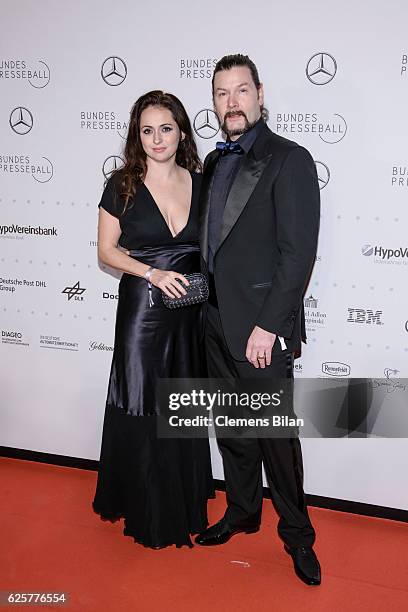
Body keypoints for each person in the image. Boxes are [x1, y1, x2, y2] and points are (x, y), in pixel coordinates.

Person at [195, 54, 321, 585]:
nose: (232, 102)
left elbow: (298, 255)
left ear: (260, 94)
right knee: (234, 431)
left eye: (240, 91)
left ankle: (298, 537)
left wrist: (270, 327)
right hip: (215, 321)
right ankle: (244, 511)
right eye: (222, 93)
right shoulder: (211, 163)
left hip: (261, 331)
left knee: (274, 436)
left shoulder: (289, 159)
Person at [92, 90, 214, 549]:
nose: (157, 138)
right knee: (144, 403)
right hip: (143, 311)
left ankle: (183, 500)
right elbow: (106, 251)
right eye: (147, 130)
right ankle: (148, 510)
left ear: (181, 130)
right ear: (136, 135)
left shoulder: (202, 182)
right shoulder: (122, 184)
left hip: (190, 315)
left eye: (166, 128)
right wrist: (152, 272)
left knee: (182, 404)